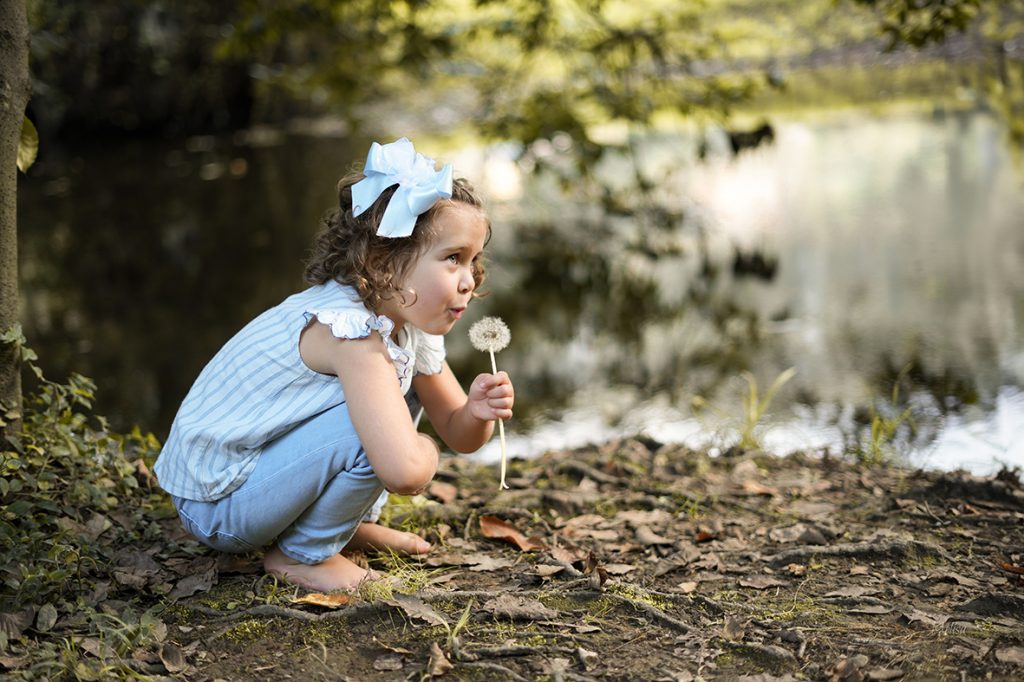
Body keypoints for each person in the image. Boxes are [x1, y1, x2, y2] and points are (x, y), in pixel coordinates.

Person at [154, 137, 515, 592]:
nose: (470, 280)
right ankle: (302, 555)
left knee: (389, 406)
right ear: (383, 261)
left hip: (261, 483)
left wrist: (477, 414)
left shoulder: (408, 325)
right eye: (453, 259)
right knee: (379, 427)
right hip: (218, 502)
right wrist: (421, 449)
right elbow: (406, 472)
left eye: (474, 260)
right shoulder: (350, 332)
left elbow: (460, 433)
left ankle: (338, 527)